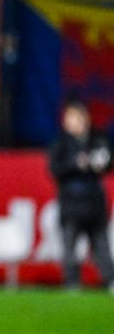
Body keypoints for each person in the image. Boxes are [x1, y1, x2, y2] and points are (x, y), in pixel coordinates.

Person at [49, 99, 114, 290]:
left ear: (85, 119)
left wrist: (99, 162)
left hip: (94, 202)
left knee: (101, 244)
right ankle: (72, 283)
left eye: (76, 118)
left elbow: (108, 162)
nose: (72, 122)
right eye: (69, 118)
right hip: (71, 202)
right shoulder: (61, 143)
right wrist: (76, 163)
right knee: (70, 246)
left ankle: (109, 280)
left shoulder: (97, 139)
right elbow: (55, 169)